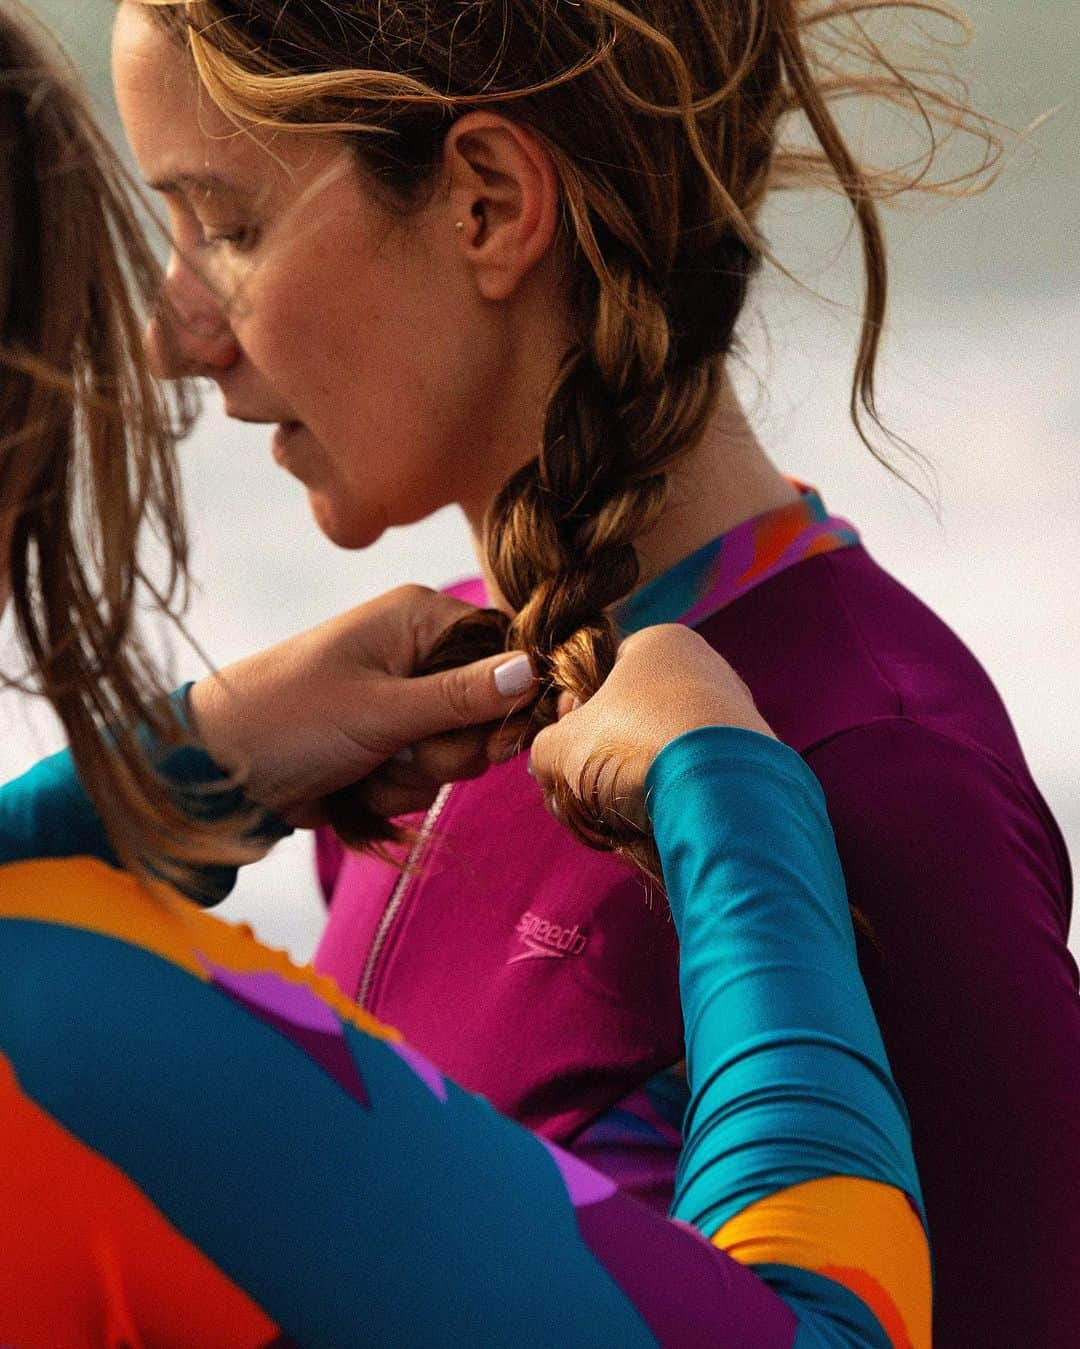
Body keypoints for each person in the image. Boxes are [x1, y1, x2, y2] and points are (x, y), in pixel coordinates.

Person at [101, 2, 1080, 1344]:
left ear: (490, 205)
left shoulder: (877, 765)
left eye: (224, 227)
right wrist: (155, 789)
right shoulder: (411, 725)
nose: (175, 334)